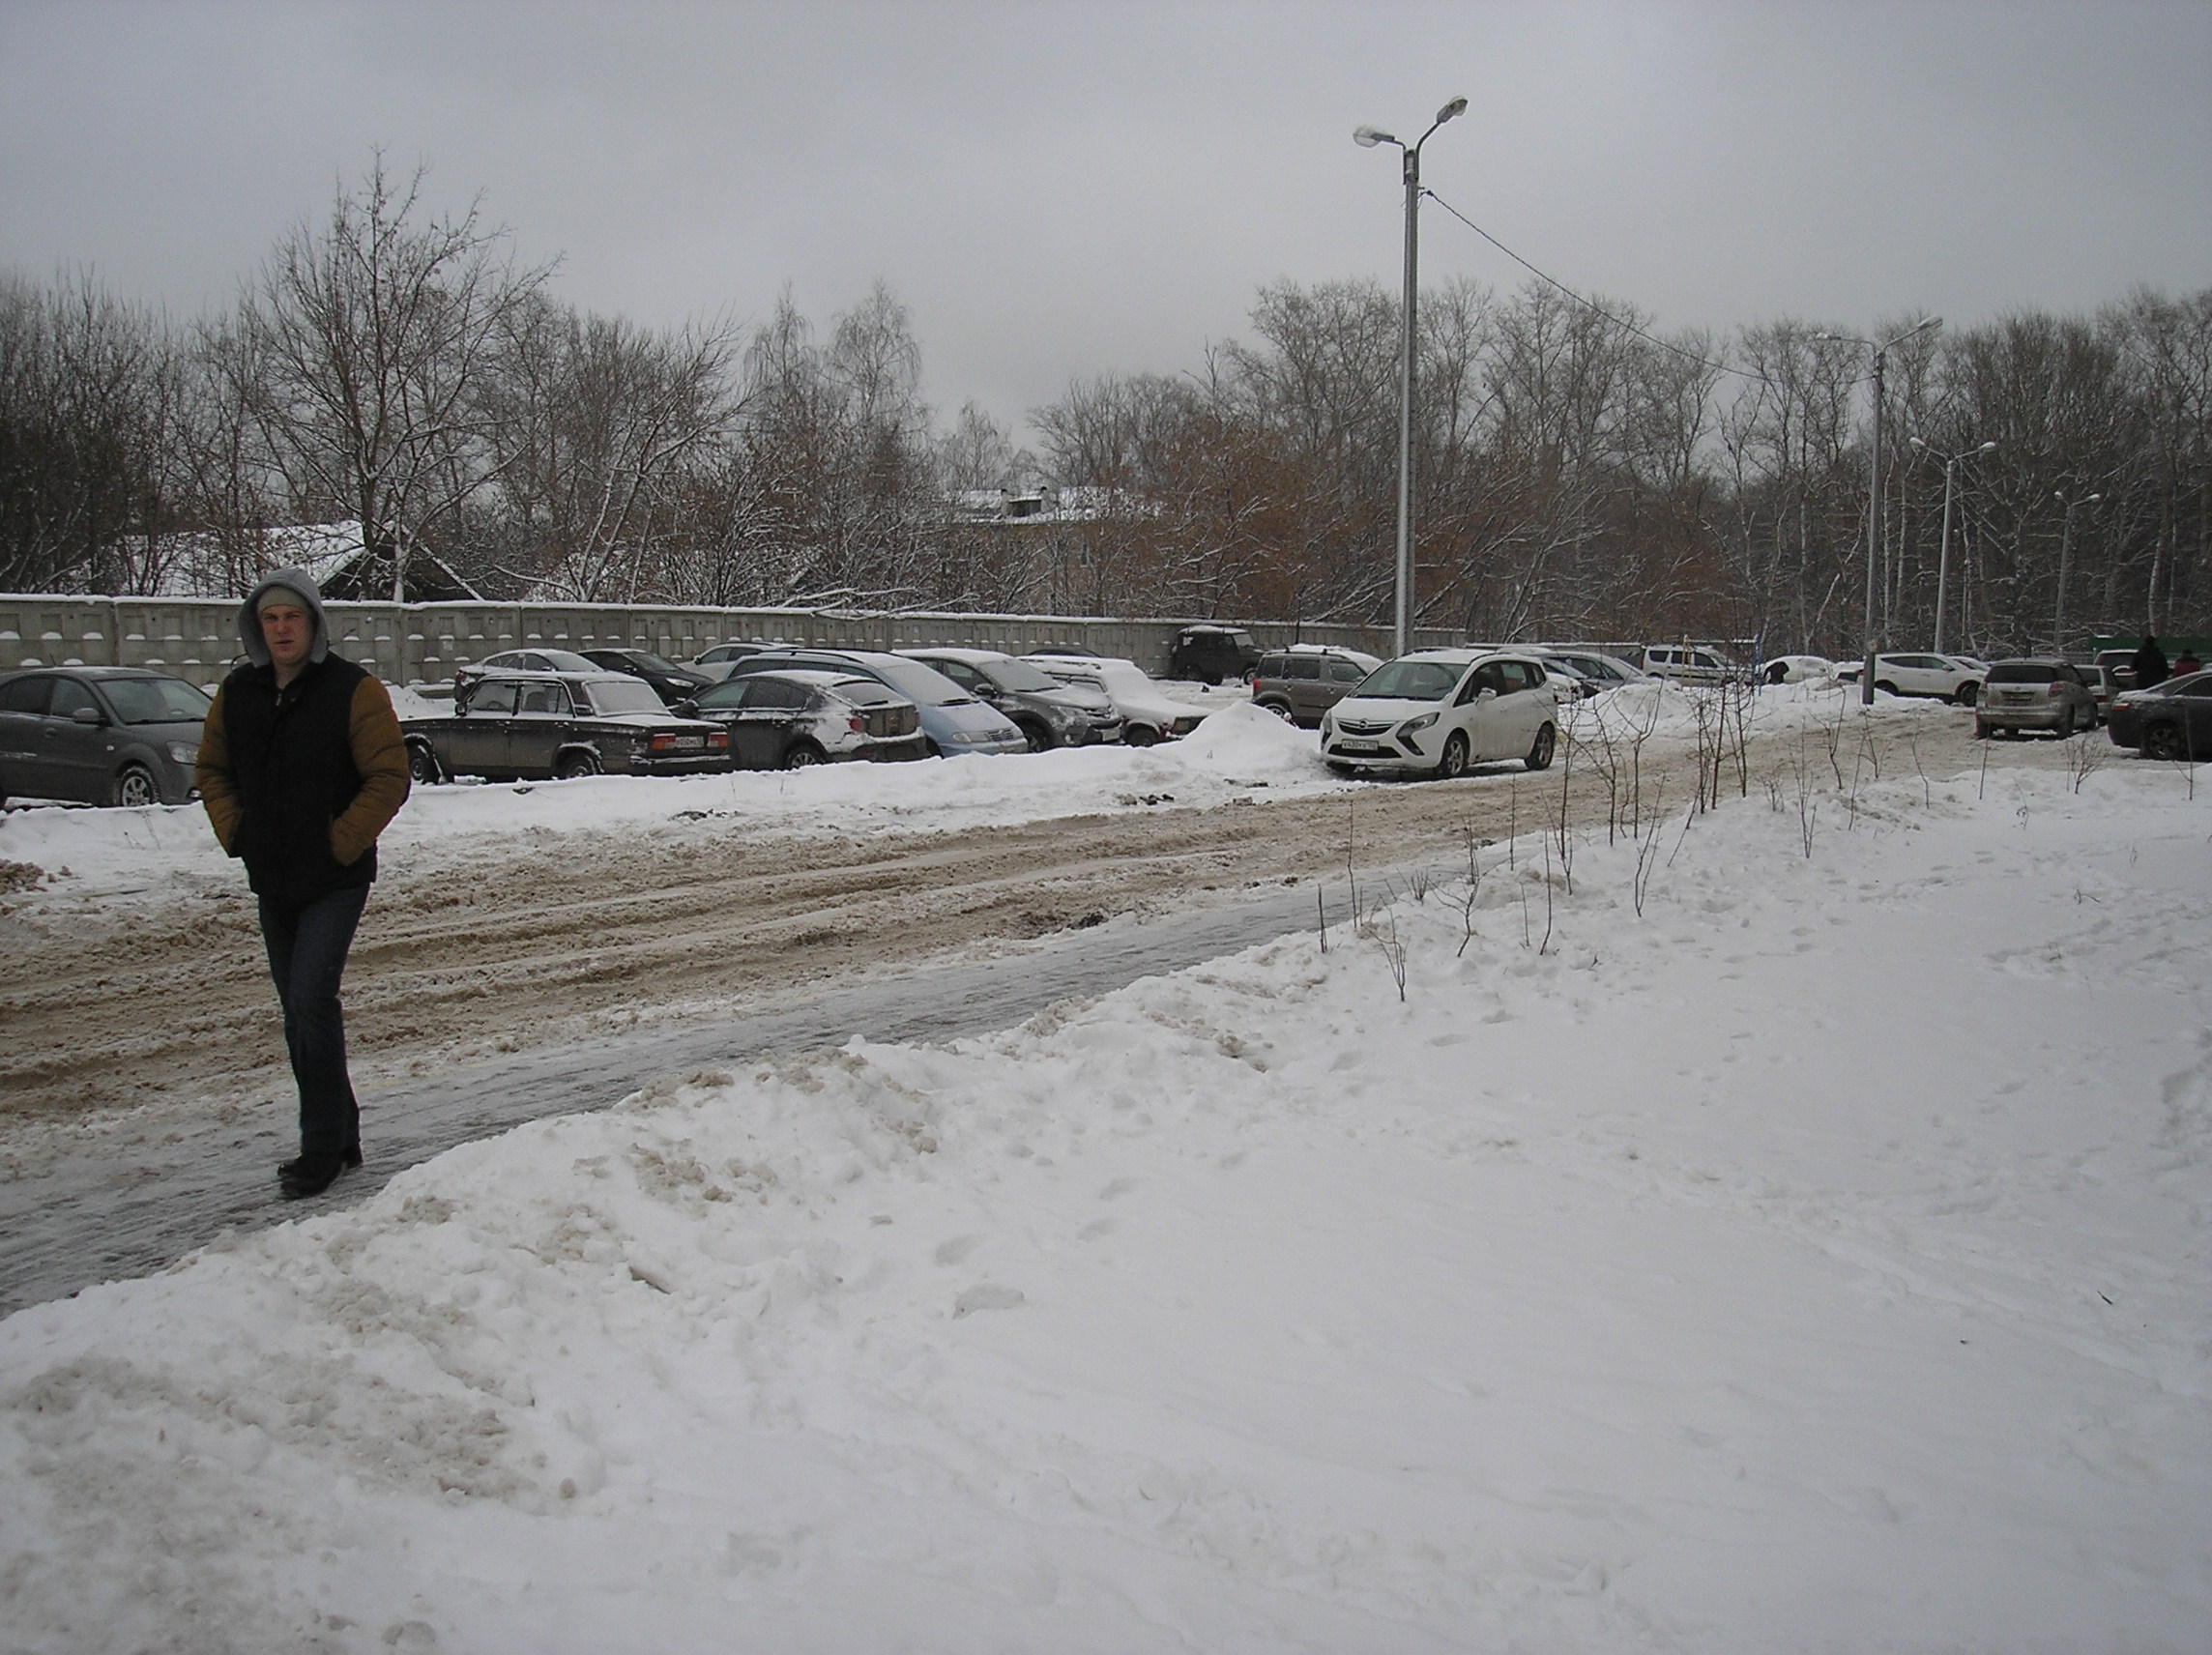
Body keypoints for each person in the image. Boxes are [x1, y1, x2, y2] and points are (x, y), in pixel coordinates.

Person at [197, 570, 410, 1198]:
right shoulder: (238, 694)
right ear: (256, 628)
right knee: (298, 1011)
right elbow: (211, 769)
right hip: (273, 875)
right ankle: (340, 1131)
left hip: (336, 877)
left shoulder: (353, 690)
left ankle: (319, 1148)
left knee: (311, 999)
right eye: (271, 618)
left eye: (293, 617)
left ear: (313, 624)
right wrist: (237, 831)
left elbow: (389, 776)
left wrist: (339, 841)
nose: (283, 628)